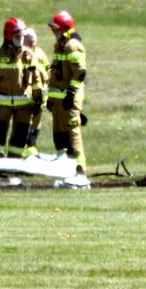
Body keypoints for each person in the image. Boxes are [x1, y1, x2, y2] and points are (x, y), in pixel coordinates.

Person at [0, 18, 41, 158]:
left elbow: (36, 78)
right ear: (8, 36)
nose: (20, 39)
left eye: (22, 36)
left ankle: (14, 165)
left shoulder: (28, 55)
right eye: (17, 36)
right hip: (2, 106)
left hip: (24, 106)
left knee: (20, 138)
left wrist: (38, 98)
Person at [47, 11, 87, 174]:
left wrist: (71, 94)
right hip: (58, 101)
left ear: (64, 28)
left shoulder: (72, 45)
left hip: (69, 100)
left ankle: (79, 170)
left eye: (55, 29)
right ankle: (65, 169)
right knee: (60, 136)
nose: (53, 32)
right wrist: (51, 97)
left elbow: (80, 72)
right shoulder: (59, 45)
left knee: (72, 135)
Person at [21, 27, 49, 157]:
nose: (32, 42)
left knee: (37, 122)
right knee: (27, 122)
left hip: (41, 94)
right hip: (27, 95)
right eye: (29, 40)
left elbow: (48, 70)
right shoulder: (22, 54)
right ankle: (28, 149)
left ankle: (32, 147)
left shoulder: (40, 53)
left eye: (33, 40)